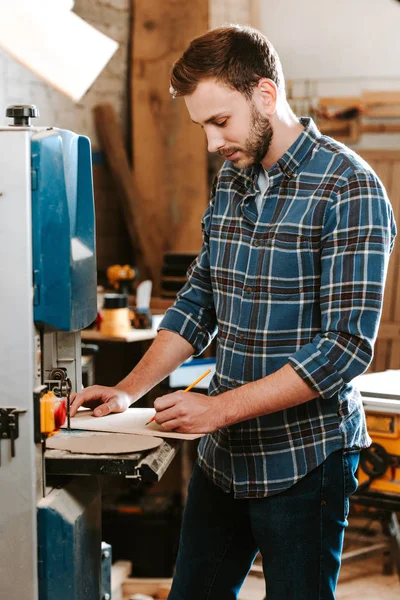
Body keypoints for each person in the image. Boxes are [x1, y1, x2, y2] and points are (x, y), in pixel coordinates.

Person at [71, 25, 396, 600]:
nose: (211, 141)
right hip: (225, 456)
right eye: (202, 126)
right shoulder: (234, 178)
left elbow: (344, 348)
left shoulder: (350, 188)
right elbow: (200, 299)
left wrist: (217, 410)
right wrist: (127, 390)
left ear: (265, 95)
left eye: (220, 121)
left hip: (306, 459)